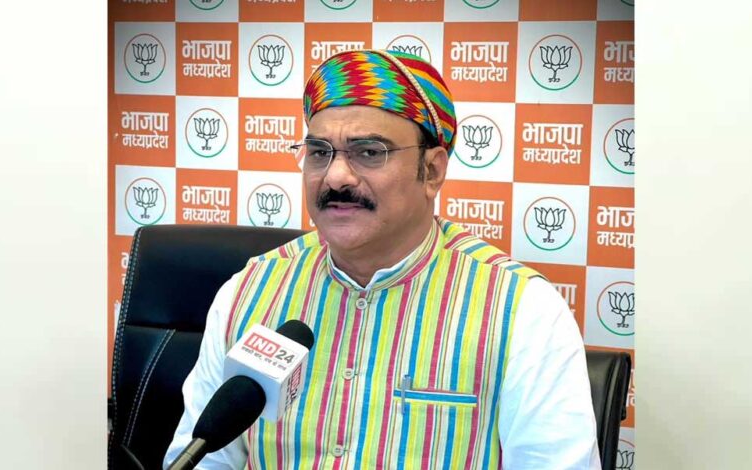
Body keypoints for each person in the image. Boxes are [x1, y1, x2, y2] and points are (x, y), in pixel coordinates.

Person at [165, 49, 600, 469]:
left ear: (432, 171)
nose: (336, 176)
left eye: (369, 152)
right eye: (319, 152)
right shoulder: (248, 291)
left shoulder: (521, 310)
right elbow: (203, 460)